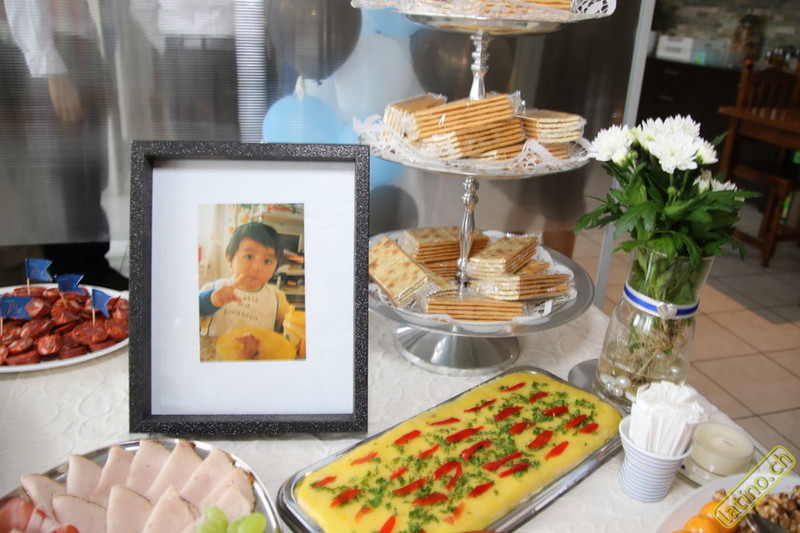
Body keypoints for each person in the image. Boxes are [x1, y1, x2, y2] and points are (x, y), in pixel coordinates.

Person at [199, 222, 290, 337]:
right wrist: (211, 300)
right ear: (229, 259)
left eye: (267, 261)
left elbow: (289, 329)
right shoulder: (214, 290)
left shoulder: (278, 300)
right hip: (217, 348)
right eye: (249, 256)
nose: (256, 268)